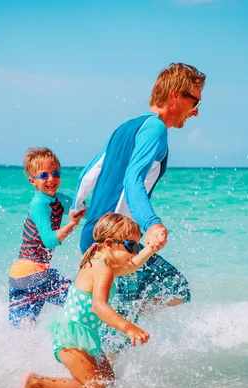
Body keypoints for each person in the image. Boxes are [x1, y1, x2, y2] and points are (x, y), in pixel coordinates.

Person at [71, 62, 206, 355]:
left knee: (146, 302)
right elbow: (133, 180)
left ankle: (102, 345)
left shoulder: (127, 127)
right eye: (193, 101)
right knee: (175, 290)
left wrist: (76, 206)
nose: (195, 111)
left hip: (93, 238)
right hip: (117, 244)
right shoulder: (156, 131)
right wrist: (152, 223)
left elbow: (90, 171)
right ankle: (99, 374)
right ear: (174, 95)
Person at [19, 213, 160, 388]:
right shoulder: (103, 270)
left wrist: (151, 249)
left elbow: (131, 266)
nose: (134, 252)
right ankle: (36, 382)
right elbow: (99, 306)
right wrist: (129, 328)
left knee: (108, 382)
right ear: (109, 243)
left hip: (83, 334)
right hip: (72, 335)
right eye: (131, 246)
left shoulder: (100, 262)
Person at [9, 147, 86, 328]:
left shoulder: (58, 199)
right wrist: (72, 224)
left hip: (18, 278)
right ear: (32, 181)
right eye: (43, 175)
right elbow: (50, 240)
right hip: (34, 273)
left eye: (55, 173)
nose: (51, 179)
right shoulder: (38, 203)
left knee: (23, 329)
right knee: (80, 300)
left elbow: (84, 209)